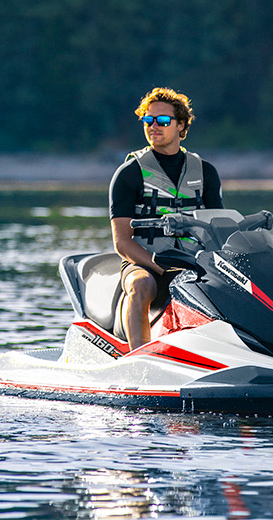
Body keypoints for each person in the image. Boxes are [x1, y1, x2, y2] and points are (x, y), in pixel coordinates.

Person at [109, 87, 223, 349]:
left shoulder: (205, 172)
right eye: (148, 120)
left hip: (192, 264)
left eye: (162, 120)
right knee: (142, 285)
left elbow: (218, 230)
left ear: (181, 125)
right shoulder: (129, 173)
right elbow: (122, 242)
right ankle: (138, 358)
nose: (153, 126)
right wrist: (158, 266)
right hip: (144, 263)